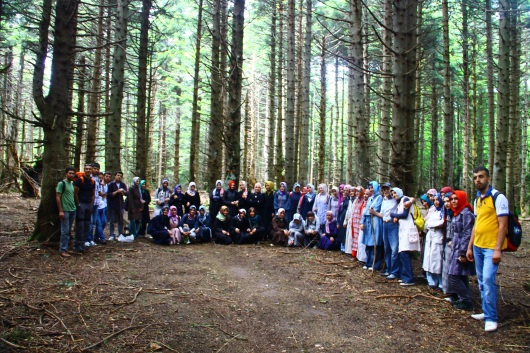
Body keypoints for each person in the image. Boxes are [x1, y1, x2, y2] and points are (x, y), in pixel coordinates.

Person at [466, 166, 509, 332]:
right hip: (478, 246)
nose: (478, 180)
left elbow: (503, 225)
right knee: (482, 281)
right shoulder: (477, 200)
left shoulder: (498, 198)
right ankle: (486, 311)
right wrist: (470, 247)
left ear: (488, 179)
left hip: (491, 247)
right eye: (475, 177)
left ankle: (491, 317)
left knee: (489, 280)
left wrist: (498, 249)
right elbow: (477, 225)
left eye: (481, 177)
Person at [448, 190, 475, 311]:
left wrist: (463, 251)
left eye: (456, 199)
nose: (453, 201)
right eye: (452, 199)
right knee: (461, 274)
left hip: (462, 248)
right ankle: (463, 298)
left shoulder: (466, 213)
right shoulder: (456, 212)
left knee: (453, 275)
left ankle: (466, 300)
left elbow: (467, 233)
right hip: (455, 247)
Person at [391, 187, 420, 286]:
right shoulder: (400, 202)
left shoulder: (405, 199)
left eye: (395, 193)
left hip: (408, 230)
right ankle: (404, 276)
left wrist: (392, 214)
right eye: (393, 194)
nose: (394, 195)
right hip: (403, 230)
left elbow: (404, 214)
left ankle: (409, 278)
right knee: (403, 254)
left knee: (405, 254)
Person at [423, 193, 445, 290]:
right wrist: (431, 225)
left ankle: (440, 281)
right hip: (430, 235)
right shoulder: (433, 211)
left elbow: (442, 222)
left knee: (437, 258)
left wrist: (434, 225)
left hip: (438, 235)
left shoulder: (443, 212)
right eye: (434, 200)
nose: (436, 202)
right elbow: (427, 222)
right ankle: (431, 280)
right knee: (428, 257)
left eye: (438, 200)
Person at [378, 183, 400, 279]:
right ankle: (389, 269)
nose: (386, 191)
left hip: (393, 224)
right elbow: (382, 214)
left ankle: (395, 271)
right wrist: (374, 212)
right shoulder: (384, 200)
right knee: (387, 248)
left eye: (387, 189)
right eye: (384, 189)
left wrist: (397, 217)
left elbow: (406, 201)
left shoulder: (396, 200)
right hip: (385, 224)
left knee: (394, 248)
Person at [361, 181, 383, 271]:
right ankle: (368, 262)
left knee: (375, 243)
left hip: (375, 221)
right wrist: (362, 222)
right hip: (368, 221)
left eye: (372, 187)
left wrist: (371, 211)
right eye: (369, 188)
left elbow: (375, 209)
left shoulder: (379, 198)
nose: (371, 189)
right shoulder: (370, 198)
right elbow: (366, 210)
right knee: (368, 243)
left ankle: (375, 264)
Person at [74, 164, 95, 252]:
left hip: (89, 204)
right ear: (84, 170)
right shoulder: (80, 180)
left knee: (87, 224)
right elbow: (75, 192)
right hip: (81, 204)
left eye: (90, 169)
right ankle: (77, 244)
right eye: (86, 169)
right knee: (80, 225)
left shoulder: (92, 181)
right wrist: (78, 204)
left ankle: (83, 243)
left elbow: (93, 193)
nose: (88, 170)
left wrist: (92, 203)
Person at [57, 167, 77, 257]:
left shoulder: (72, 183)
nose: (71, 175)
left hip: (72, 209)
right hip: (65, 210)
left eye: (73, 173)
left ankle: (66, 248)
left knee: (68, 231)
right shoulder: (61, 184)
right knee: (65, 231)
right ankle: (62, 250)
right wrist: (60, 210)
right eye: (70, 173)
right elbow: (57, 197)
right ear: (66, 174)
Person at [107, 171, 127, 241]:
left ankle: (120, 233)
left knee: (121, 221)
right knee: (112, 220)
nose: (119, 177)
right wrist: (117, 191)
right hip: (112, 205)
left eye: (121, 176)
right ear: (115, 176)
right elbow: (109, 195)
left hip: (121, 205)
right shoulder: (110, 184)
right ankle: (111, 234)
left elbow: (126, 193)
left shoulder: (123, 184)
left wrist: (123, 192)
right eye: (118, 175)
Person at [93, 172, 109, 244]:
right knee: (98, 223)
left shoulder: (105, 185)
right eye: (99, 178)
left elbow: (104, 195)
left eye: (101, 178)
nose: (100, 179)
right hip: (96, 206)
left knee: (104, 222)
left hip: (103, 206)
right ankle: (102, 238)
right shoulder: (95, 185)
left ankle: (96, 237)